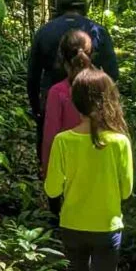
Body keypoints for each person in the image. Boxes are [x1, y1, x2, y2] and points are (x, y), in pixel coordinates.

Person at [44, 67, 133, 271]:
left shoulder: (63, 142)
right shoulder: (120, 143)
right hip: (107, 229)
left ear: (76, 103)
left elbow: (53, 189)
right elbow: (125, 192)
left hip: (72, 226)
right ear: (109, 101)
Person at [27, 0, 119, 159]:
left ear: (58, 6)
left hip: (52, 102)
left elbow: (33, 77)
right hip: (91, 104)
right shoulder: (99, 32)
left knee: (53, 151)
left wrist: (36, 109)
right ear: (84, 6)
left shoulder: (44, 31)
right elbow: (113, 74)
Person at [40, 29, 92, 175]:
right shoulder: (103, 84)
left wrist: (47, 168)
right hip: (101, 165)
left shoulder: (58, 92)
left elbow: (51, 134)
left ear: (62, 58)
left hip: (68, 168)